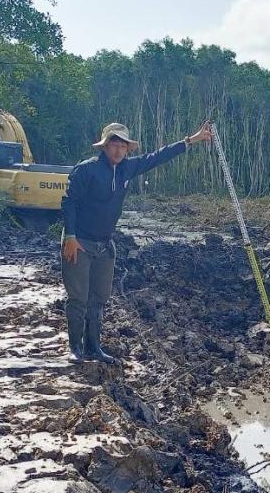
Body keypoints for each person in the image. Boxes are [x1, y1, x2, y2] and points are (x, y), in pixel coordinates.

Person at [61, 120, 213, 362]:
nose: (118, 150)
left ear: (127, 149)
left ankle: (93, 347)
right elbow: (69, 202)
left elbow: (157, 156)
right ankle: (75, 349)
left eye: (123, 146)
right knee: (78, 297)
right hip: (79, 242)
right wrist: (70, 236)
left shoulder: (127, 169)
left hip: (104, 245)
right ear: (104, 146)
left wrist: (191, 140)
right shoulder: (86, 170)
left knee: (98, 299)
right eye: (114, 144)